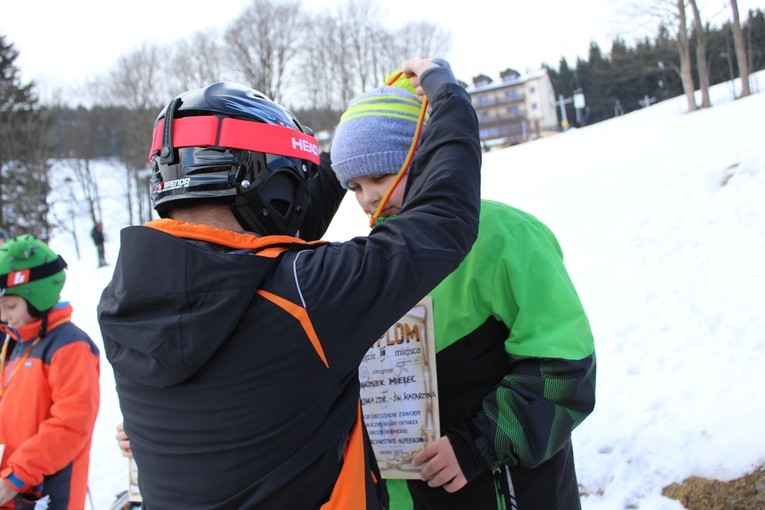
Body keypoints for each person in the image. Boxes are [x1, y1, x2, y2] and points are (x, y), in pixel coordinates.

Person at [96, 57, 481, 509]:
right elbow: (443, 222)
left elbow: (262, 238)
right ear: (268, 186)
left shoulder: (124, 299)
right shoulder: (305, 297)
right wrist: (447, 95)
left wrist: (347, 150)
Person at [329, 71, 597, 509]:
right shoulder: (369, 259)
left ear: (423, 158)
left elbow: (565, 371)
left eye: (380, 176)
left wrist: (477, 445)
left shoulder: (505, 236)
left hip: (507, 490)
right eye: (354, 186)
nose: (367, 198)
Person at [0, 235, 101, 509]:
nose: (2, 315)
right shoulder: (15, 341)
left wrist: (16, 477)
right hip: (12, 484)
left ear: (39, 298)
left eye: (10, 306)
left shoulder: (69, 346)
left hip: (46, 491)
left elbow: (70, 426)